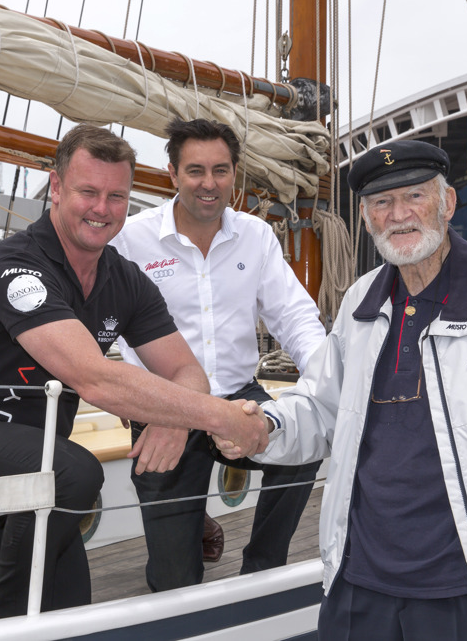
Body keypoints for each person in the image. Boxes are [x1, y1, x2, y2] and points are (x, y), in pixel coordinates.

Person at [217, 140, 467, 641]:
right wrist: (265, 428)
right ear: (365, 216)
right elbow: (320, 409)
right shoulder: (360, 302)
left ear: (448, 202)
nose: (398, 215)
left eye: (414, 196)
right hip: (359, 586)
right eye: (382, 203)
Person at [0, 124, 269, 620]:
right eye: (88, 192)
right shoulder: (16, 267)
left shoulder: (124, 279)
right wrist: (220, 418)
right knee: (77, 472)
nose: (102, 209)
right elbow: (94, 377)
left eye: (116, 196)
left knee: (70, 612)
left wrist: (174, 418)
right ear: (56, 189)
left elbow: (186, 368)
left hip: (36, 458)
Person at [110, 118, 326, 591]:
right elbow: (107, 329)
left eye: (221, 170)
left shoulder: (256, 236)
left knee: (305, 442)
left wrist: (328, 380)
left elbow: (294, 317)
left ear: (235, 174)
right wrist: (138, 399)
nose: (209, 184)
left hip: (239, 396)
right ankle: (187, 536)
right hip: (163, 404)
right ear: (172, 174)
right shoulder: (131, 240)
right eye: (195, 171)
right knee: (172, 581)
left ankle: (263, 567)